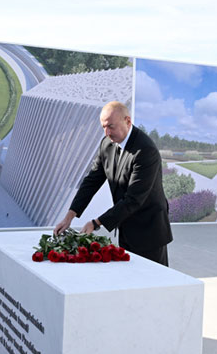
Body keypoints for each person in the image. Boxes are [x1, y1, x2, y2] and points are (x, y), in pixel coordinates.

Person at [53, 101, 172, 266]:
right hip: (126, 228)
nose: (107, 132)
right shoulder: (106, 143)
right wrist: (69, 216)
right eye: (103, 127)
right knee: (128, 278)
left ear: (127, 121)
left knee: (152, 280)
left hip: (149, 232)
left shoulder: (146, 150)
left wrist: (96, 223)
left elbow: (134, 199)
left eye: (111, 126)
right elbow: (92, 181)